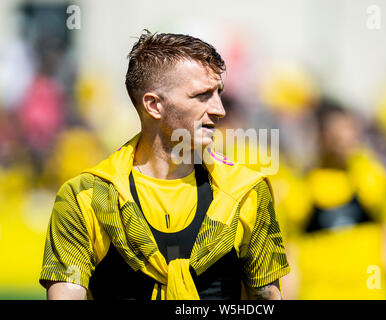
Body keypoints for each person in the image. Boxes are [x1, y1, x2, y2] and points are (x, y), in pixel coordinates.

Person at [39, 30, 290, 300]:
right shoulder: (86, 197)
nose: (219, 109)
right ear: (154, 105)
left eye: (218, 93)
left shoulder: (246, 192)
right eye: (202, 96)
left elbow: (266, 297)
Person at [282, 100, 386, 299]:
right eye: (336, 130)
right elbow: (290, 260)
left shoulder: (370, 177)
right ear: (320, 134)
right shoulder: (300, 189)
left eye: (349, 129)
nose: (344, 137)